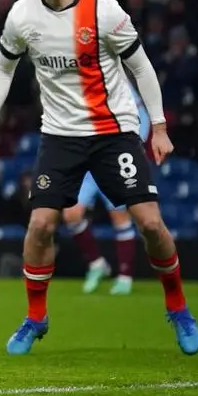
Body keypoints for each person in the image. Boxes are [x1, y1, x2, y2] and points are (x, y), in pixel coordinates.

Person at [0, 0, 198, 356]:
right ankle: (35, 318)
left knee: (151, 224)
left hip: (113, 131)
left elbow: (142, 67)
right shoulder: (23, 15)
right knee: (41, 224)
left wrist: (158, 127)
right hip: (60, 135)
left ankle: (178, 306)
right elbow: (3, 68)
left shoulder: (106, 12)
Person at [63, 83, 151, 296]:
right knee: (71, 213)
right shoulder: (78, 81)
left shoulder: (118, 80)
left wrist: (133, 145)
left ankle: (124, 276)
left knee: (119, 215)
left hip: (113, 160)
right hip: (87, 161)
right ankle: (97, 263)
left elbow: (142, 115)